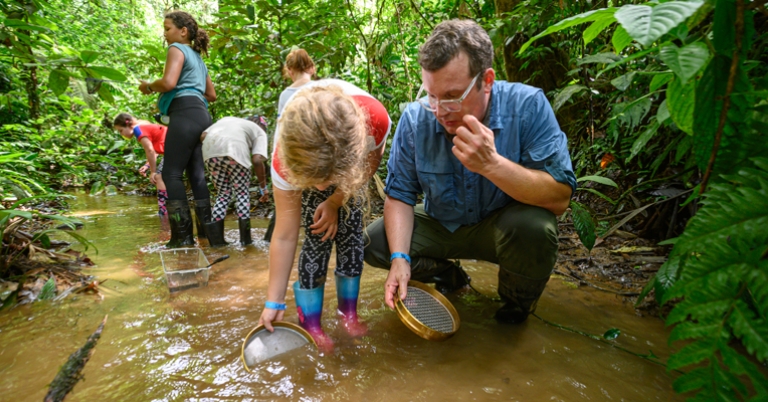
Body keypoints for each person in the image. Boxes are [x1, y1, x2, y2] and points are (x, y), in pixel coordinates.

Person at [363, 19, 576, 324]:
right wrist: (400, 259)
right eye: (432, 96)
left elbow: (559, 198)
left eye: (452, 96)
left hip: (502, 226)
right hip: (443, 223)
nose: (439, 110)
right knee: (375, 242)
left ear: (486, 80)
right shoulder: (415, 118)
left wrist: (492, 165)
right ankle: (449, 276)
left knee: (535, 228)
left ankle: (516, 305)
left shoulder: (528, 106)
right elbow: (400, 196)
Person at [258, 80, 391, 351]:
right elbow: (285, 235)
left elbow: (366, 168)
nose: (321, 187)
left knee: (352, 237)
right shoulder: (284, 157)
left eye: (326, 180)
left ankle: (348, 313)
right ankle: (311, 322)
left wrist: (335, 201)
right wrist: (274, 301)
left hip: (347, 162)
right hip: (310, 157)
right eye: (317, 182)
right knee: (316, 238)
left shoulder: (376, 122)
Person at [138, 11, 217, 248]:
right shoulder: (198, 58)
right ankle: (206, 234)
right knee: (197, 174)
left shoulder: (177, 49)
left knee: (171, 174)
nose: (165, 33)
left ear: (183, 31)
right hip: (202, 115)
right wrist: (192, 90)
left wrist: (149, 86)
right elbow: (211, 95)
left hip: (184, 113)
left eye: (168, 28)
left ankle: (182, 238)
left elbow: (169, 83)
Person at [264, 48, 316, 243]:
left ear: (290, 70)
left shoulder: (286, 94)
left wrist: (275, 156)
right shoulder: (319, 89)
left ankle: (272, 239)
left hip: (292, 154)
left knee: (286, 205)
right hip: (314, 153)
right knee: (312, 202)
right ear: (311, 68)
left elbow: (282, 130)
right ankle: (313, 242)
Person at [200, 116, 270, 247]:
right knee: (242, 193)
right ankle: (245, 241)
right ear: (263, 127)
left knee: (223, 194)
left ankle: (217, 241)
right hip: (234, 153)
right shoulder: (259, 131)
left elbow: (203, 136)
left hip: (210, 155)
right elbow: (257, 160)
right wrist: (263, 187)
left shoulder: (227, 120)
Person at [113, 113, 169, 216]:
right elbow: (156, 147)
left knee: (159, 177)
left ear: (128, 124)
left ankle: (164, 210)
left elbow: (150, 150)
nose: (122, 134)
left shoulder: (137, 129)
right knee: (162, 176)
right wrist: (148, 165)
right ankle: (166, 208)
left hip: (174, 148)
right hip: (174, 148)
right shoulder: (144, 125)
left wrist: (153, 172)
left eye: (121, 130)